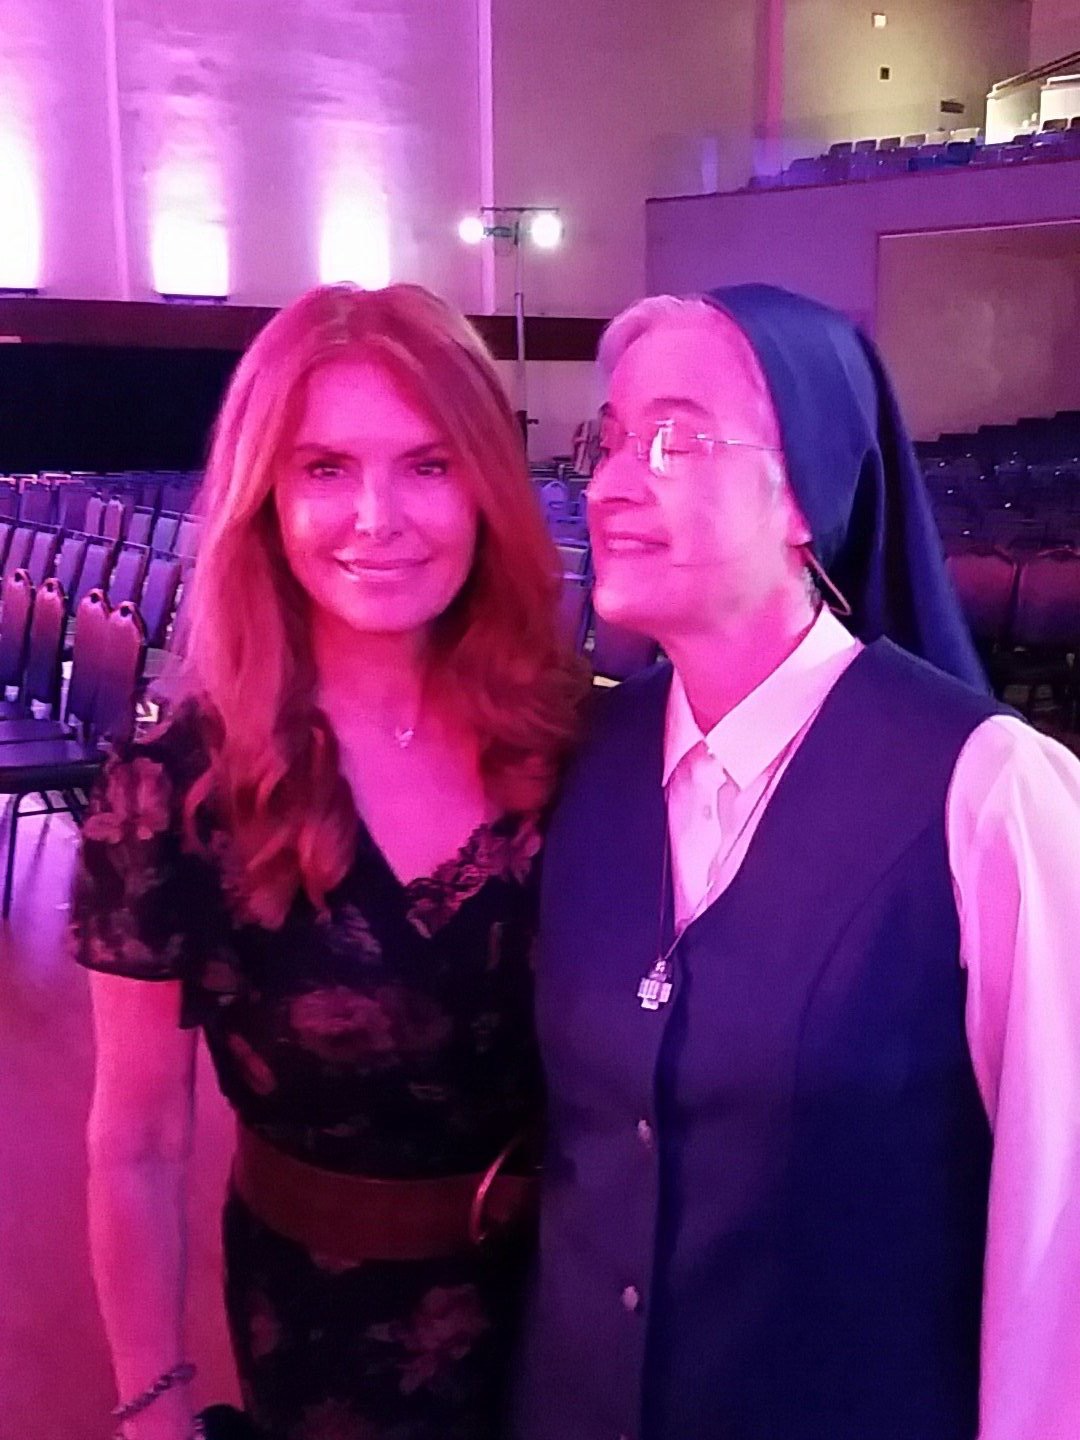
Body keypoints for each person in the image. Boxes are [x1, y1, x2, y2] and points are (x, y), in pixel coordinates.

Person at [513, 285, 1080, 1440]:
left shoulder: (987, 790)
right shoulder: (584, 757)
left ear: (806, 497)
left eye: (675, 438)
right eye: (608, 439)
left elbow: (1057, 1240)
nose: (611, 482)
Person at [72, 283, 586, 1440]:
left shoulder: (574, 741)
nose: (377, 517)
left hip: (589, 1320)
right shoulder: (175, 789)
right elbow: (138, 1142)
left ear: (486, 483)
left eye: (428, 464)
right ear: (264, 496)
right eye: (325, 469)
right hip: (329, 1346)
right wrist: (153, 1406)